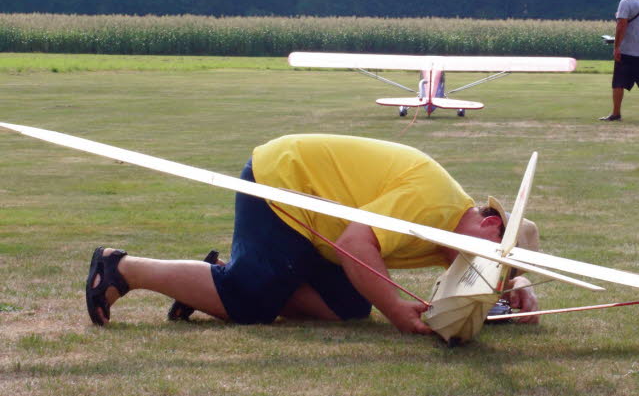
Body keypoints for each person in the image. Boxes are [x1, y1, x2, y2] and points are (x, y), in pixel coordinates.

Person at [85, 134, 540, 336]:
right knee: (250, 306)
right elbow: (354, 245)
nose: (485, 268)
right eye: (493, 256)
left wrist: (520, 286)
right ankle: (122, 268)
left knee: (349, 309)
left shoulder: (454, 239)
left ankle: (214, 285)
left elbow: (522, 241)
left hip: (319, 225)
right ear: (489, 225)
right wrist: (398, 311)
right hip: (283, 183)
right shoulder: (434, 203)